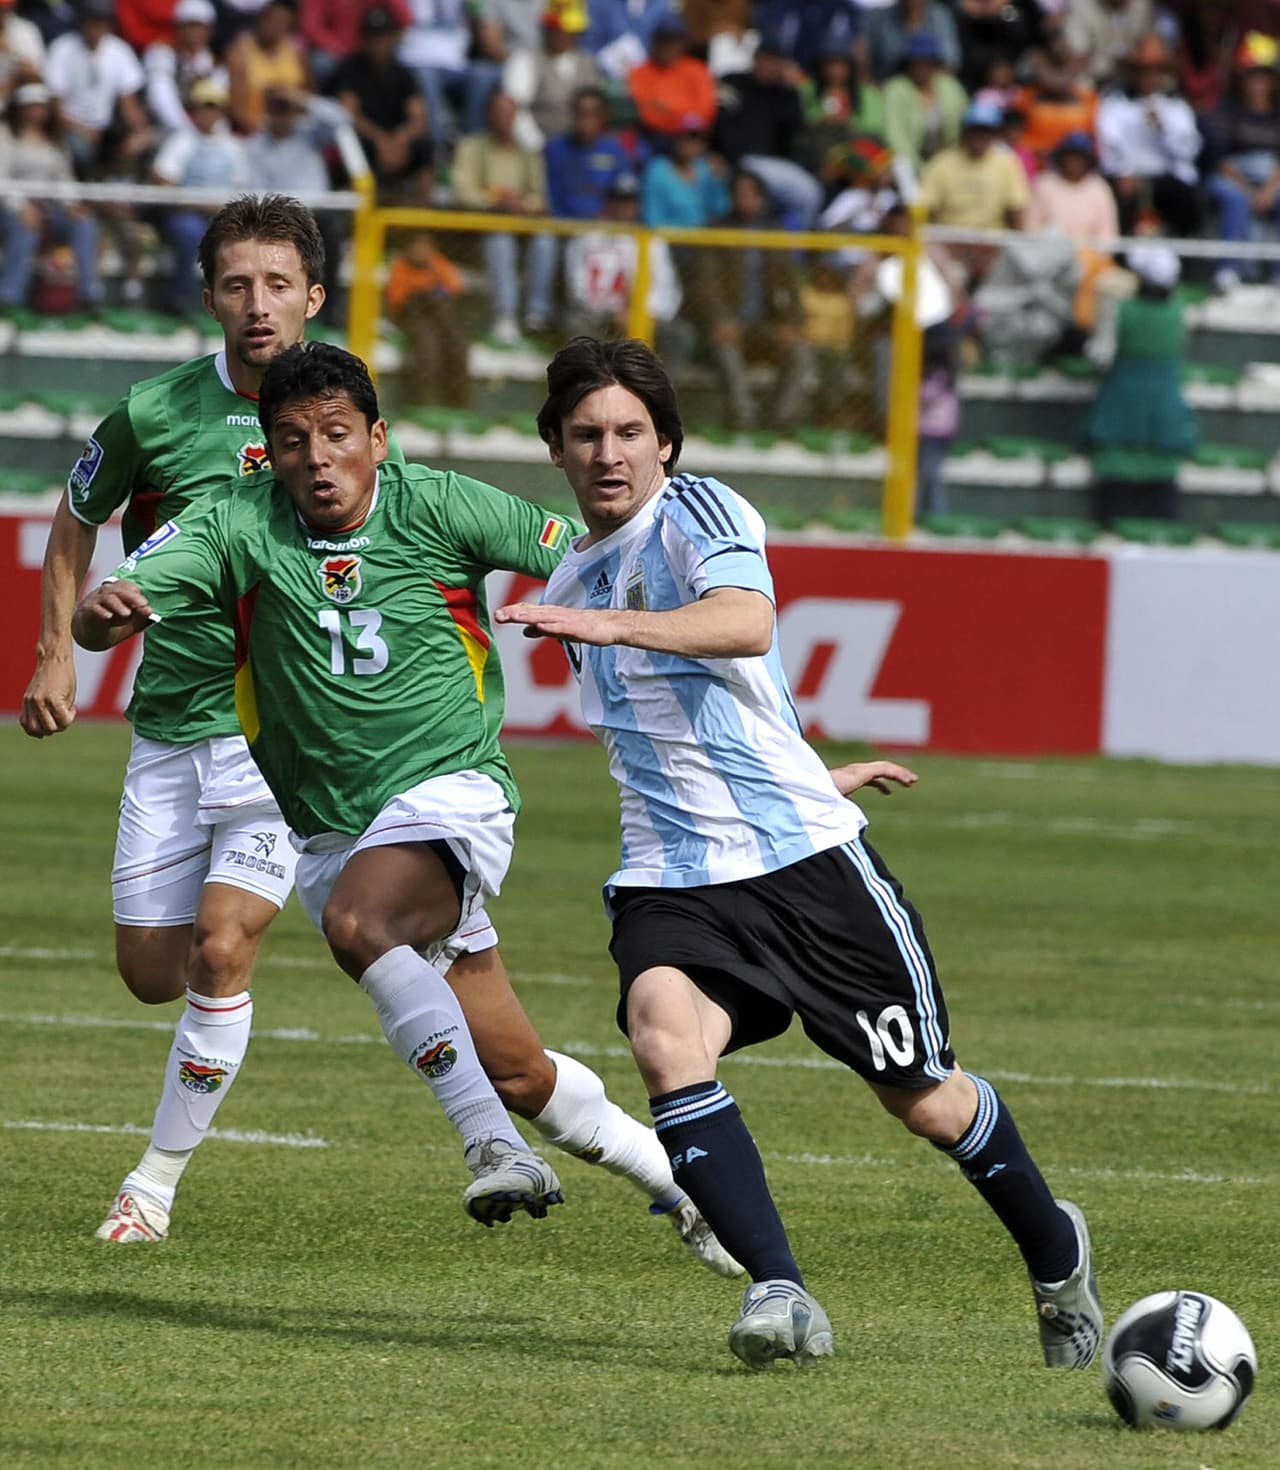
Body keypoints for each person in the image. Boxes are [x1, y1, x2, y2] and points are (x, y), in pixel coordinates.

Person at [24, 198, 732, 1274]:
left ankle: (463, 1151)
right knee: (515, 1064)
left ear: (375, 436)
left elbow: (580, 546)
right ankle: (685, 1188)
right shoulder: (214, 497)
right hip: (302, 798)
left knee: (334, 930)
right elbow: (111, 569)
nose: (318, 459)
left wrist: (676, 589)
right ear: (266, 452)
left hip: (436, 794)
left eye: (338, 438)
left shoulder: (437, 503)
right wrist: (87, 622)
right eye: (295, 441)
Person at [496, 335, 1103, 1371]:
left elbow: (741, 624)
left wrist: (601, 624)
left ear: (666, 444)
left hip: (803, 871)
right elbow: (686, 743)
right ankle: (778, 1292)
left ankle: (1055, 1255)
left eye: (631, 433)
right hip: (670, 876)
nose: (610, 453)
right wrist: (808, 762)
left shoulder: (697, 516)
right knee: (660, 1033)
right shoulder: (573, 573)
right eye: (587, 434)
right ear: (554, 446)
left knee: (923, 1100)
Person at [1083, 243, 1196, 527]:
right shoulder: (1179, 312)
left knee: (1114, 507)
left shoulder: (1121, 310)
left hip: (1121, 410)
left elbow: (1101, 356)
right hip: (1164, 413)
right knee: (1160, 508)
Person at [451, 89, 553, 344]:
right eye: (498, 113)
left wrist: (521, 204)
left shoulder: (528, 154)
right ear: (488, 115)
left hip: (522, 225)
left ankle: (536, 315)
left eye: (508, 113)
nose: (503, 119)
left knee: (546, 240)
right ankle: (505, 316)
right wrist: (495, 201)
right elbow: (463, 191)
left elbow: (540, 198)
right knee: (500, 239)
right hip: (477, 229)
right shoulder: (471, 147)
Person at [0, 81, 103, 314]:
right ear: (20, 108)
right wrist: (21, 208)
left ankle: (89, 294)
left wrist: (71, 205)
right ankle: (9, 296)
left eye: (40, 106)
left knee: (85, 224)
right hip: (8, 206)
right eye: (31, 106)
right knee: (24, 227)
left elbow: (63, 178)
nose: (36, 111)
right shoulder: (5, 134)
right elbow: (1, 177)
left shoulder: (56, 140)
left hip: (48, 208)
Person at [151, 76, 250, 316]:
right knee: (189, 233)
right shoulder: (181, 141)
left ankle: (236, 305)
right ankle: (180, 299)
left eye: (213, 107)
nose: (208, 113)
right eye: (204, 107)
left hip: (222, 215)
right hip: (187, 213)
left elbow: (240, 186)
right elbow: (163, 178)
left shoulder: (232, 146)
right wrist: (197, 203)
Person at [1096, 36, 1201, 238]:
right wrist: (1123, 172)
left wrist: (1163, 128)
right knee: (1117, 194)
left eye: (1155, 71)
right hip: (1129, 178)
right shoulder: (1115, 105)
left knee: (1188, 200)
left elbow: (1189, 151)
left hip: (1169, 180)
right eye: (1142, 71)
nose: (1148, 77)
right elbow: (1110, 145)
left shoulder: (1177, 107)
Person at [1202, 32, 1280, 294]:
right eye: (1252, 77)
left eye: (1263, 77)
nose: (1257, 84)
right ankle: (1229, 270)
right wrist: (1249, 191)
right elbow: (1219, 160)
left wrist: (1268, 191)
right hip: (1232, 177)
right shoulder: (1227, 110)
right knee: (1235, 199)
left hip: (1272, 180)